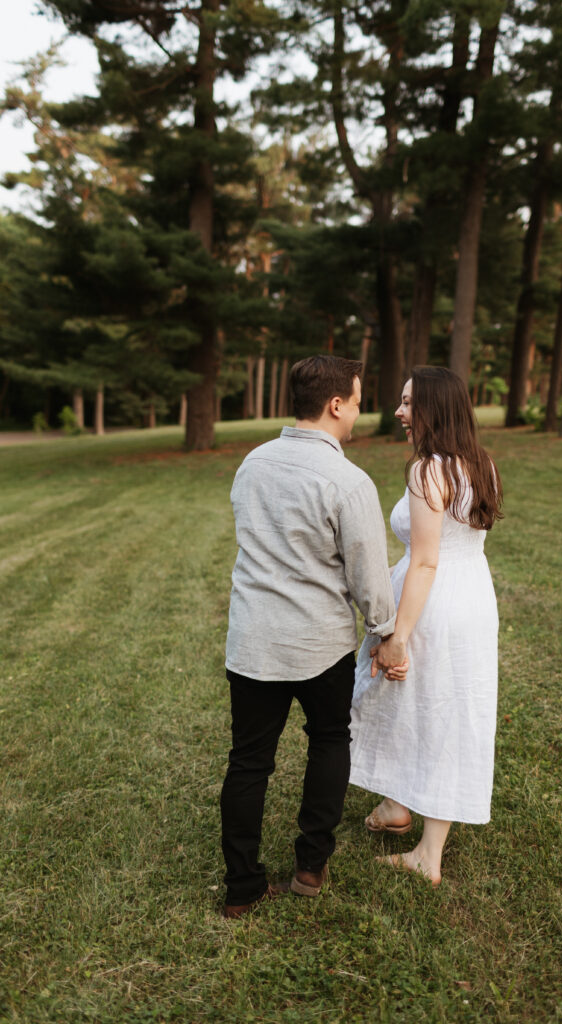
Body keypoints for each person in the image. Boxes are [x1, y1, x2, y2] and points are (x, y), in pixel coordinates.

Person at [220, 354, 405, 919]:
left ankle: (242, 887)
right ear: (335, 405)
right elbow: (368, 574)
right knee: (328, 740)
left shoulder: (252, 462)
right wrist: (385, 630)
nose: (358, 413)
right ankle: (310, 865)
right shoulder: (347, 481)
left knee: (249, 760)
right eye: (356, 402)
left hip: (253, 639)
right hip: (319, 645)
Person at [349, 366, 503, 887]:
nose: (399, 411)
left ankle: (425, 856)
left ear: (435, 407)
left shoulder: (426, 471)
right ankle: (398, 806)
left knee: (405, 696)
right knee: (445, 708)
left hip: (432, 603)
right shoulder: (482, 464)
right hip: (474, 600)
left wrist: (398, 637)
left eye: (409, 402)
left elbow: (426, 561)